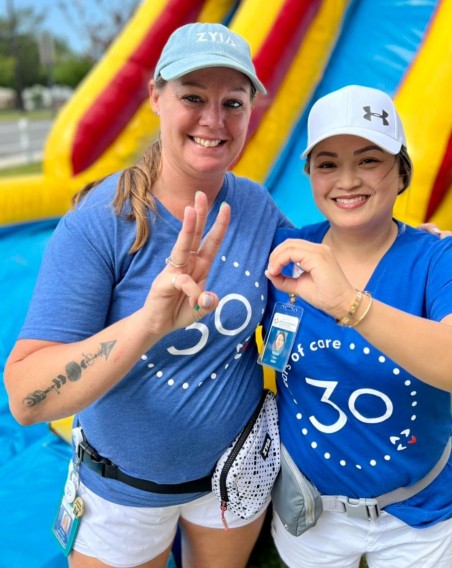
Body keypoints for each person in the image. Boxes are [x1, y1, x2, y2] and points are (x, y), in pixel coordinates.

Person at [4, 22, 291, 568]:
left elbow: (326, 263)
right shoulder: (101, 223)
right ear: (155, 96)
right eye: (192, 97)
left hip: (231, 479)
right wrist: (148, 324)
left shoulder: (255, 207)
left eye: (233, 102)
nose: (214, 120)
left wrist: (415, 247)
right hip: (121, 493)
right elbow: (25, 397)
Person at [264, 85, 452, 567]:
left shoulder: (439, 259)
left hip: (419, 512)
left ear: (401, 171)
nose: (347, 180)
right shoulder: (283, 255)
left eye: (369, 160)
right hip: (310, 511)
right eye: (328, 163)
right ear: (310, 175)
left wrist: (351, 305)